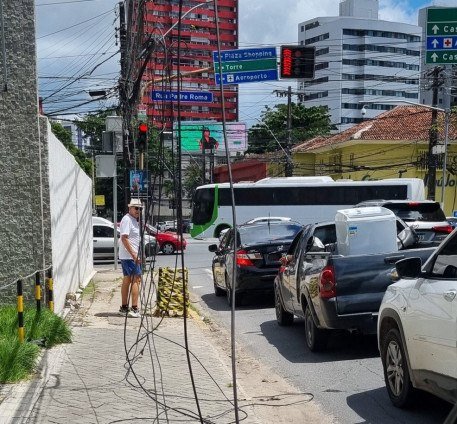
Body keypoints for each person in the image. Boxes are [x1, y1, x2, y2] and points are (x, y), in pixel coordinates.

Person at [118, 198, 143, 318]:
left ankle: (124, 308)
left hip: (128, 255)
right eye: (136, 208)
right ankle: (134, 308)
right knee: (136, 279)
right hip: (129, 256)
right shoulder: (127, 219)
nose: (138, 210)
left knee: (127, 279)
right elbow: (124, 238)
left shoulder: (133, 220)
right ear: (130, 208)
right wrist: (134, 255)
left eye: (140, 208)